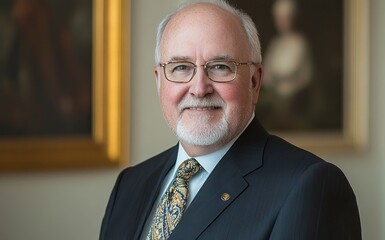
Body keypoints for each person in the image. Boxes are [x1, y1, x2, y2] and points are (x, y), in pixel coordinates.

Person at [100, 0, 361, 239]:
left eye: (220, 67)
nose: (199, 89)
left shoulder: (310, 186)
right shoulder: (130, 184)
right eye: (181, 67)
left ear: (255, 82)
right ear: (159, 81)